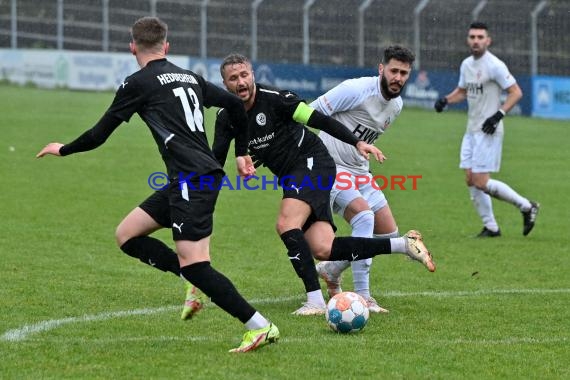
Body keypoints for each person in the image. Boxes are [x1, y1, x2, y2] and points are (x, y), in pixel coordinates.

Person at [36, 16, 279, 353]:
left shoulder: (137, 83)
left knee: (196, 264)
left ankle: (259, 326)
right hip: (189, 179)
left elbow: (98, 134)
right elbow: (237, 105)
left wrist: (63, 149)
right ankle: (189, 283)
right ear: (166, 46)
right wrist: (242, 153)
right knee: (127, 235)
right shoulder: (189, 76)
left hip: (191, 181)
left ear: (132, 46)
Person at [214, 53, 436, 316]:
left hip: (313, 162)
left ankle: (315, 301)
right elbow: (214, 161)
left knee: (286, 224)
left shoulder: (276, 99)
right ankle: (402, 245)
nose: (240, 82)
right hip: (293, 176)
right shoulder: (225, 117)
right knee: (323, 248)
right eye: (233, 78)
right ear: (225, 84)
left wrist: (356, 142)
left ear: (252, 75)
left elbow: (320, 120)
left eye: (244, 75)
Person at [310, 45, 416, 314]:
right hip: (330, 166)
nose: (398, 78)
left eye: (404, 73)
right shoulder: (355, 90)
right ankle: (364, 296)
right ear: (381, 68)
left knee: (387, 232)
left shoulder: (397, 105)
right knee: (364, 217)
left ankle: (331, 269)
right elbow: (312, 111)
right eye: (393, 70)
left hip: (360, 171)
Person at [434, 21, 539, 237]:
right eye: (472, 37)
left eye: (480, 37)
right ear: (468, 39)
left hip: (489, 130)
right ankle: (491, 227)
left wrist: (498, 115)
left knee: (480, 181)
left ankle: (527, 206)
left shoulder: (495, 65)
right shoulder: (466, 64)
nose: (476, 40)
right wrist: (446, 100)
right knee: (470, 179)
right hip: (471, 129)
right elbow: (463, 91)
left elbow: (516, 92)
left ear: (488, 40)